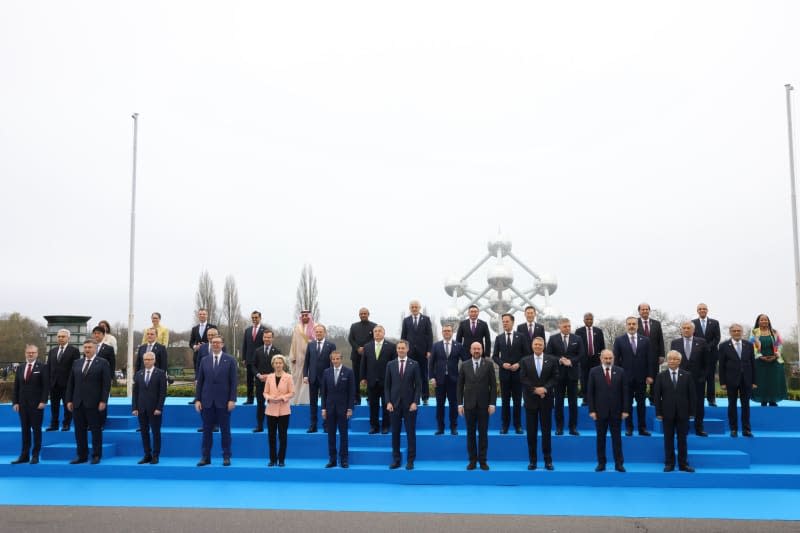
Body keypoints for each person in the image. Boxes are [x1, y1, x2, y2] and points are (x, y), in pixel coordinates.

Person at [65, 339, 112, 464]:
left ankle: (96, 455)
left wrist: (103, 400)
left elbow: (106, 384)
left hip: (94, 403)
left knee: (96, 431)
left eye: (90, 347)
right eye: (85, 347)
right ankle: (81, 455)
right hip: (78, 403)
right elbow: (71, 383)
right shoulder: (77, 363)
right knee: (79, 431)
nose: (87, 349)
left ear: (95, 348)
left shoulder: (103, 363)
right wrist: (69, 400)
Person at [195, 335, 237, 466]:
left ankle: (226, 456)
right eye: (213, 343)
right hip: (207, 402)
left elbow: (234, 382)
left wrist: (232, 399)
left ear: (223, 344)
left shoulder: (230, 360)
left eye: (218, 343)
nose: (216, 345)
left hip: (224, 402)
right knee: (207, 431)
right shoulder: (204, 360)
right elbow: (200, 382)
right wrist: (197, 400)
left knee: (225, 431)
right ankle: (205, 457)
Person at [519, 337, 558, 470]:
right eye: (535, 344)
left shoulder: (552, 360)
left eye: (540, 344)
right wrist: (535, 390)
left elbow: (555, 377)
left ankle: (548, 461)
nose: (537, 346)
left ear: (544, 346)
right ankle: (533, 461)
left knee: (546, 432)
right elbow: (523, 378)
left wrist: (545, 389)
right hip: (531, 401)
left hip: (546, 401)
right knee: (531, 433)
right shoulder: (525, 360)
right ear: (532, 346)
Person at [587, 349, 629, 472]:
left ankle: (619, 464)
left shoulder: (620, 371)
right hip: (600, 412)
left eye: (610, 358)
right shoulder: (593, 372)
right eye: (606, 358)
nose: (608, 360)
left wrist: (625, 410)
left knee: (617, 439)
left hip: (617, 412)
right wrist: (592, 410)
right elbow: (590, 393)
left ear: (613, 358)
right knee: (601, 439)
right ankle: (601, 463)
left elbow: (625, 392)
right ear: (601, 359)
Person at [654, 350, 696, 472]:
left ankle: (683, 464)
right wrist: (658, 412)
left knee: (682, 440)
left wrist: (692, 413)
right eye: (670, 359)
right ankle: (669, 463)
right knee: (668, 439)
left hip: (683, 414)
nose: (672, 361)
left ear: (680, 361)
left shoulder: (687, 375)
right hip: (667, 414)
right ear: (667, 361)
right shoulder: (661, 376)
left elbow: (692, 396)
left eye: (675, 359)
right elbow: (657, 396)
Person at [612, 317, 655, 436]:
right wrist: (617, 376)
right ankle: (629, 428)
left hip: (642, 378)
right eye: (629, 324)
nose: (631, 326)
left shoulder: (645, 340)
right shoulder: (619, 340)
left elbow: (650, 360)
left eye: (634, 324)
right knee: (627, 404)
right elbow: (616, 361)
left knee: (641, 404)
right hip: (625, 379)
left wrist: (650, 375)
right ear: (626, 325)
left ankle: (642, 428)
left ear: (638, 326)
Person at [457, 342, 497, 471]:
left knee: (483, 434)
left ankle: (483, 461)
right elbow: (459, 386)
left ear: (482, 350)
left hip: (484, 406)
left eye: (478, 348)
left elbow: (493, 386)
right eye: (474, 348)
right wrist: (459, 404)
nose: (476, 350)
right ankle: (472, 461)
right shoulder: (464, 365)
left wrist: (492, 403)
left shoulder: (489, 365)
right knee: (471, 434)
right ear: (470, 350)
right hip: (469, 405)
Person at [385, 340, 422, 470]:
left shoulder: (414, 364)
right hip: (394, 405)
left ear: (407, 349)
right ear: (396, 350)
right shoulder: (390, 364)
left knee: (410, 433)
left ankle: (410, 460)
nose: (400, 350)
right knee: (395, 433)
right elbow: (387, 386)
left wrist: (415, 402)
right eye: (398, 348)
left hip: (410, 405)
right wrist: (388, 401)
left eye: (403, 348)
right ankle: (396, 459)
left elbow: (418, 385)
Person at [546, 318, 585, 436]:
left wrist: (570, 361)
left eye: (569, 326)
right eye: (565, 326)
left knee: (573, 402)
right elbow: (548, 354)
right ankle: (559, 427)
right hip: (558, 375)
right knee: (558, 402)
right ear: (560, 326)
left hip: (572, 375)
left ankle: (573, 428)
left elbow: (581, 354)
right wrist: (560, 360)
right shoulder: (553, 339)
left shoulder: (577, 338)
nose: (567, 328)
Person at [11, 345, 49, 464]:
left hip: (37, 405)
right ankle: (24, 455)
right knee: (25, 430)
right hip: (22, 405)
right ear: (25, 353)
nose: (30, 354)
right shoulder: (21, 367)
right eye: (28, 352)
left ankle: (35, 455)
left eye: (33, 352)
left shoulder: (42, 367)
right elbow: (16, 386)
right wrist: (15, 402)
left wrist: (43, 401)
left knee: (36, 430)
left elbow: (46, 386)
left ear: (37, 353)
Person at [670, 321, 709, 436]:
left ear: (693, 330)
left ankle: (699, 427)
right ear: (681, 330)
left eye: (688, 328)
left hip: (698, 380)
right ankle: (683, 427)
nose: (686, 330)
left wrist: (703, 377)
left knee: (699, 404)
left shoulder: (702, 342)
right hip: (680, 380)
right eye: (684, 328)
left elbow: (706, 363)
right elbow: (672, 361)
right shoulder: (675, 343)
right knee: (681, 403)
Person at [719, 323, 757, 437]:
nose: (736, 333)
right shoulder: (724, 346)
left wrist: (754, 381)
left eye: (738, 331)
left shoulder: (749, 345)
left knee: (746, 405)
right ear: (730, 332)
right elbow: (721, 365)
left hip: (746, 380)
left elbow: (753, 364)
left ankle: (746, 429)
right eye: (734, 331)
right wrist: (722, 382)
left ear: (742, 332)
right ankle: (733, 429)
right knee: (732, 405)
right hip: (731, 380)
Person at [430, 324, 467, 435]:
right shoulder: (436, 346)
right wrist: (431, 377)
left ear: (452, 332)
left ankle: (453, 428)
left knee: (453, 404)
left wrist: (463, 377)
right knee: (440, 405)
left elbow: (465, 362)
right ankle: (440, 428)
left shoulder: (458, 346)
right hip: (439, 380)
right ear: (442, 332)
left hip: (454, 380)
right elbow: (431, 364)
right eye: (445, 331)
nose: (447, 332)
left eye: (449, 331)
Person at [492, 313, 526, 434]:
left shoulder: (521, 337)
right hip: (504, 375)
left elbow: (526, 355)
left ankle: (518, 426)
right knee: (505, 401)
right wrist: (502, 364)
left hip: (518, 374)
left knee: (517, 401)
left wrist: (519, 364)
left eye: (507, 321)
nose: (505, 323)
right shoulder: (499, 338)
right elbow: (495, 356)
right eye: (503, 321)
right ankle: (505, 426)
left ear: (512, 322)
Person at [360, 325, 397, 434]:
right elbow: (363, 364)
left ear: (383, 333)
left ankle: (386, 426)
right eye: (375, 331)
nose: (377, 333)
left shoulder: (391, 346)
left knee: (387, 404)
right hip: (371, 381)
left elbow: (394, 364)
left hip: (386, 381)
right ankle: (374, 426)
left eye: (379, 331)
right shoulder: (367, 347)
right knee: (373, 405)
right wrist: (362, 377)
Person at [132, 351, 167, 465]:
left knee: (156, 433)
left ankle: (155, 456)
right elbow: (135, 393)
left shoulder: (161, 374)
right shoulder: (138, 374)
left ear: (154, 360)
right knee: (144, 433)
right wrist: (135, 407)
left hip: (155, 409)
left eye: (149, 359)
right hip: (141, 408)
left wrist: (159, 408)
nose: (147, 362)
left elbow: (162, 393)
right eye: (145, 360)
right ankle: (147, 454)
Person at [321, 351, 355, 468]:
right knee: (331, 435)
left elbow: (351, 392)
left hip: (343, 409)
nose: (335, 361)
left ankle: (344, 459)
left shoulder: (349, 372)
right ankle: (332, 459)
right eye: (333, 359)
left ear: (341, 359)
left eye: (337, 359)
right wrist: (323, 408)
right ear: (331, 360)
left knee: (343, 435)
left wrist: (350, 408)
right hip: (329, 409)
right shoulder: (326, 372)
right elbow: (323, 392)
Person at [46, 329, 80, 432]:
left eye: (63, 336)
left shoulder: (74, 351)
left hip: (67, 384)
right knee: (54, 406)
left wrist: (73, 384)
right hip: (54, 384)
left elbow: (75, 369)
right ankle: (54, 424)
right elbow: (49, 367)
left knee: (67, 405)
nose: (61, 338)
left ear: (68, 338)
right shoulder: (52, 351)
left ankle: (66, 424)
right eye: (59, 336)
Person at [749, 314, 787, 407]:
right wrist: (760, 356)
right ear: (758, 322)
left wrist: (775, 356)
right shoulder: (754, 332)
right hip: (759, 361)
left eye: (766, 320)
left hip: (774, 360)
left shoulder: (774, 332)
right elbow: (752, 345)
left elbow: (779, 345)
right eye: (761, 320)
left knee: (774, 381)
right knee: (761, 381)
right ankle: (763, 400)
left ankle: (773, 400)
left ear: (768, 321)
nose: (764, 321)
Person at [400, 299, 433, 404]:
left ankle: (425, 398)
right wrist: (403, 350)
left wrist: (429, 350)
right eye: (412, 307)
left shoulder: (426, 319)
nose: (414, 309)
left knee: (423, 375)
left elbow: (430, 336)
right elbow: (403, 337)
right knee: (409, 375)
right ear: (410, 308)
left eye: (416, 307)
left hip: (422, 352)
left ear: (419, 308)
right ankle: (412, 397)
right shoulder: (406, 320)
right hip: (409, 353)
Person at [303, 324, 335, 433]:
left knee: (326, 403)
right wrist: (305, 375)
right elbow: (306, 362)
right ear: (314, 333)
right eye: (316, 332)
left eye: (320, 332)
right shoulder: (310, 345)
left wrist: (332, 376)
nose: (318, 334)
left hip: (326, 378)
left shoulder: (331, 345)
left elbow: (333, 363)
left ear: (324, 333)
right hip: (312, 378)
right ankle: (313, 425)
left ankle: (326, 425)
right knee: (313, 403)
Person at [264, 354, 294, 467]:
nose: (278, 365)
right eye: (276, 363)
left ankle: (281, 459)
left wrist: (283, 398)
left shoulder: (289, 377)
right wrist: (268, 397)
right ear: (273, 364)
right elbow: (265, 392)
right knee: (271, 436)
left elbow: (292, 392)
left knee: (282, 436)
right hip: (271, 410)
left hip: (284, 411)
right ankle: (272, 459)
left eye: (280, 363)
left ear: (283, 364)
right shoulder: (269, 377)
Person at [253, 329, 282, 433]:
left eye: (269, 337)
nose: (267, 339)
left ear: (272, 338)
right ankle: (259, 426)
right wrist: (259, 375)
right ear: (263, 338)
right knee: (260, 405)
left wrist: (270, 376)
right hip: (260, 382)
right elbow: (253, 366)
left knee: (273, 404)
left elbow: (280, 367)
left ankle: (274, 427)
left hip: (273, 383)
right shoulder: (257, 351)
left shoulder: (277, 351)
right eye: (265, 337)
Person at [692, 303, 721, 407]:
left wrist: (707, 347)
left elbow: (717, 338)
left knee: (710, 378)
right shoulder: (692, 323)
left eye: (704, 309)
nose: (702, 310)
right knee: (698, 377)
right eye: (700, 309)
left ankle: (711, 399)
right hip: (697, 356)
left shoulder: (714, 323)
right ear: (697, 311)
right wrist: (700, 349)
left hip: (711, 354)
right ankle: (696, 398)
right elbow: (692, 338)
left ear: (707, 310)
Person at [576, 312, 605, 405]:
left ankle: (596, 399)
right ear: (583, 320)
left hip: (595, 360)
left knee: (596, 379)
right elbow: (576, 346)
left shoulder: (598, 331)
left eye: (591, 319)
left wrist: (602, 358)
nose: (589, 321)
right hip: (583, 360)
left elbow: (602, 346)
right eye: (587, 319)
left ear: (593, 320)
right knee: (584, 380)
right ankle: (585, 399)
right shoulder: (578, 331)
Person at [348, 307, 376, 405]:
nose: (363, 315)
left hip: (369, 356)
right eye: (361, 314)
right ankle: (357, 398)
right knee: (355, 377)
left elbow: (375, 339)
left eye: (365, 313)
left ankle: (370, 397)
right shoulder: (354, 326)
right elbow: (350, 339)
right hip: (356, 356)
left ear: (368, 314)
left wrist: (365, 348)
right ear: (359, 315)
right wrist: (357, 348)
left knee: (369, 377)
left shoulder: (374, 326)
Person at [289, 310, 315, 405]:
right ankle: (297, 399)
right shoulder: (297, 328)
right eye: (303, 315)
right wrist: (293, 356)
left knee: (308, 378)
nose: (304, 317)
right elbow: (294, 342)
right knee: (298, 378)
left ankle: (307, 400)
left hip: (311, 358)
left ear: (309, 316)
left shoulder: (315, 327)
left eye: (306, 315)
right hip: (299, 358)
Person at [242, 310, 266, 405]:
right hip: (249, 360)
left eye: (256, 317)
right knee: (249, 381)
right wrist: (244, 358)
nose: (254, 319)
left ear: (260, 318)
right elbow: (245, 345)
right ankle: (250, 399)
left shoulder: (264, 330)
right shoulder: (247, 330)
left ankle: (261, 399)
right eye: (253, 318)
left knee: (260, 381)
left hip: (259, 361)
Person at [190, 308, 216, 377]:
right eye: (200, 314)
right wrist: (195, 347)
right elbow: (191, 342)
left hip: (209, 355)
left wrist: (206, 345)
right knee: (198, 377)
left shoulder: (213, 327)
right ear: (198, 316)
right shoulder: (194, 328)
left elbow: (217, 340)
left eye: (204, 314)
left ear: (207, 315)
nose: (202, 315)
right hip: (197, 356)